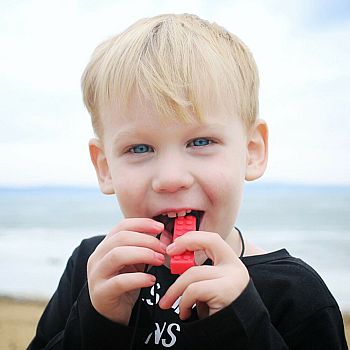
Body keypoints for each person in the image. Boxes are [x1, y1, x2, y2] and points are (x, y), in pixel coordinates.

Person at [28, 13, 348, 349]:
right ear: (105, 167)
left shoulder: (296, 294)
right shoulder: (92, 267)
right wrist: (97, 323)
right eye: (139, 148)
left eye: (200, 142)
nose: (171, 179)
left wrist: (241, 323)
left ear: (252, 151)